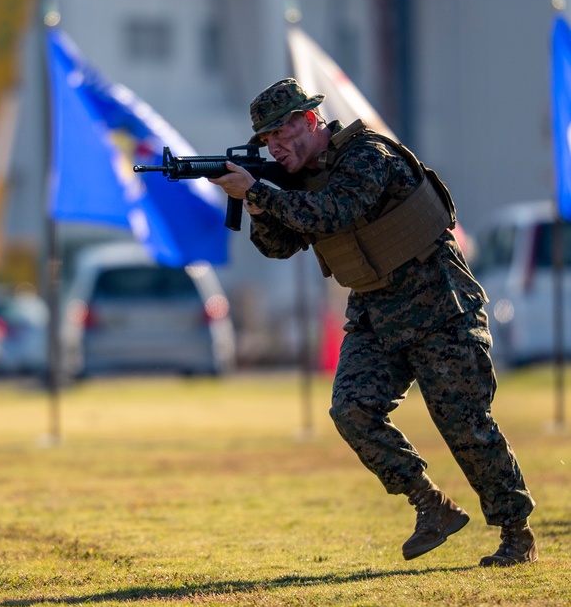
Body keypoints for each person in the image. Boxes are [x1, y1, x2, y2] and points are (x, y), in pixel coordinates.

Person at [208, 78, 537, 567]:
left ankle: (516, 533)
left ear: (311, 121)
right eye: (267, 140)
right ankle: (431, 504)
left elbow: (334, 213)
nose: (275, 147)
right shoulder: (299, 180)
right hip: (376, 313)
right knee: (352, 410)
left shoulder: (368, 155)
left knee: (465, 425)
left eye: (283, 133)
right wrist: (257, 202)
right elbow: (278, 246)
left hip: (438, 306)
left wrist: (261, 190)